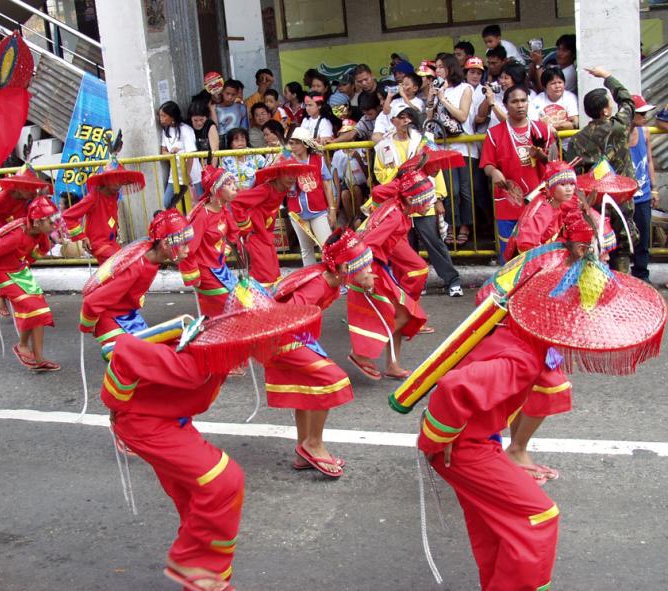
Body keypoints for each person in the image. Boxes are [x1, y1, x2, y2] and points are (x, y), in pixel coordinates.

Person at [419, 236, 665, 590]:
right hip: (465, 447)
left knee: (494, 526)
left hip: (473, 441)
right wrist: (438, 439)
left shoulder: (520, 337)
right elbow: (453, 387)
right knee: (539, 516)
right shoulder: (522, 359)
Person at [101, 295, 319, 591]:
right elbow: (125, 352)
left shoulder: (221, 355)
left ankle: (206, 581)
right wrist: (117, 404)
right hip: (147, 427)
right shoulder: (194, 366)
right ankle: (192, 565)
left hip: (172, 422)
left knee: (193, 498)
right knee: (224, 481)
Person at [267, 228, 374, 477]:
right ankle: (313, 444)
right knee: (332, 379)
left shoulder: (331, 277)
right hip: (283, 338)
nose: (369, 270)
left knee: (306, 386)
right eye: (363, 265)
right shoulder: (317, 286)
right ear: (346, 268)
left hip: (294, 336)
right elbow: (285, 318)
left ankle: (303, 450)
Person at [372, 106, 463, 298]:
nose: (404, 122)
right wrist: (399, 175)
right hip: (400, 204)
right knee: (406, 247)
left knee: (435, 242)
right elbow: (379, 174)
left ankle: (452, 281)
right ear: (393, 121)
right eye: (400, 118)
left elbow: (435, 169)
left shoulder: (424, 141)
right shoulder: (383, 146)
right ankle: (412, 284)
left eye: (408, 118)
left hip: (424, 200)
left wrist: (439, 197)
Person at [346, 174, 429, 380]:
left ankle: (393, 364)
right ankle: (361, 354)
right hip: (370, 269)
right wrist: (364, 276)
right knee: (402, 315)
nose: (429, 203)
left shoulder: (397, 208)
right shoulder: (394, 216)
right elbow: (368, 245)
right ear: (410, 200)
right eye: (425, 198)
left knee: (401, 313)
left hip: (375, 266)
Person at [79, 209, 193, 352]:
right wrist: (88, 325)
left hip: (128, 316)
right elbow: (91, 302)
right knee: (141, 364)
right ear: (165, 244)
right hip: (111, 320)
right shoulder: (136, 266)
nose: (188, 250)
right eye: (184, 244)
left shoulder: (149, 254)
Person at [565, 66, 637, 272]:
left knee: (597, 250)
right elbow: (628, 101)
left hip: (594, 205)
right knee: (621, 251)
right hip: (621, 201)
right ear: (605, 110)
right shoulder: (618, 127)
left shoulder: (577, 139)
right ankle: (621, 293)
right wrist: (606, 76)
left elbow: (573, 175)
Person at [0, 196, 60, 371]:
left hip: (21, 271)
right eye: (50, 220)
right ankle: (22, 345)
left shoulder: (40, 234)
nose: (55, 224)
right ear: (37, 222)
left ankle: (38, 359)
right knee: (35, 308)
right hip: (4, 273)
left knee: (40, 311)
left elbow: (40, 250)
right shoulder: (15, 236)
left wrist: (26, 262)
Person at [480, 85, 554, 262]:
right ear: (505, 105)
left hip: (539, 202)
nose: (520, 105)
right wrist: (494, 172)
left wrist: (541, 157)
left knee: (539, 253)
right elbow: (487, 164)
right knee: (510, 255)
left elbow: (555, 165)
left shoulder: (542, 130)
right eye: (514, 101)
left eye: (523, 100)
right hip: (508, 202)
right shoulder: (494, 133)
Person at [230, 158, 314, 286]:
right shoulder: (266, 189)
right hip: (255, 236)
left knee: (273, 276)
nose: (292, 177)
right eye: (288, 173)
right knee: (264, 278)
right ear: (279, 174)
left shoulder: (283, 189)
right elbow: (235, 200)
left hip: (265, 236)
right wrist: (245, 226)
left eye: (294, 173)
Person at [428, 54, 476, 247]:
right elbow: (429, 120)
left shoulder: (465, 88)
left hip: (464, 147)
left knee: (466, 191)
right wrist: (432, 98)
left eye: (440, 67)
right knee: (451, 191)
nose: (437, 70)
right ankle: (451, 226)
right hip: (443, 147)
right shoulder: (437, 89)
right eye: (436, 67)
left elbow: (462, 116)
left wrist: (443, 98)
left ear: (450, 67)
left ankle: (466, 226)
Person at [62, 154, 146, 264]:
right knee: (120, 264)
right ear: (105, 180)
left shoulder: (114, 195)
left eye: (120, 180)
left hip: (111, 243)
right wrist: (82, 237)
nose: (118, 184)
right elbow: (69, 215)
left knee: (129, 263)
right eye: (114, 179)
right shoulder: (93, 197)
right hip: (98, 244)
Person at [179, 167, 240, 316]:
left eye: (233, 183)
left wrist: (223, 252)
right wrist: (194, 276)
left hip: (220, 268)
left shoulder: (223, 210)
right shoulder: (202, 216)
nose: (235, 188)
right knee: (230, 306)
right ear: (215, 190)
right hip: (205, 271)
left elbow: (234, 232)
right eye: (228, 184)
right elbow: (186, 249)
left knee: (241, 300)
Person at [286, 127, 337, 266]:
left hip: (318, 210)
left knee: (327, 247)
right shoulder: (287, 162)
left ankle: (333, 278)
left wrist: (332, 209)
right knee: (306, 249)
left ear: (305, 144)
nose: (294, 146)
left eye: (297, 143)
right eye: (292, 143)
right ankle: (311, 282)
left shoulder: (318, 160)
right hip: (297, 213)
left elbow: (327, 185)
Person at [629, 95, 658, 282]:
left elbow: (649, 161)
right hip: (623, 197)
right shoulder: (617, 133)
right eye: (641, 113)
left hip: (643, 195)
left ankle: (641, 274)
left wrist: (654, 188)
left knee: (644, 237)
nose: (645, 116)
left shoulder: (645, 132)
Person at [159, 101, 202, 209]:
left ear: (172, 116)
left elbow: (191, 155)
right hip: (175, 174)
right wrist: (170, 154)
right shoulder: (165, 131)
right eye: (160, 116)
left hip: (191, 173)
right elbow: (163, 150)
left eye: (164, 116)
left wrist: (187, 174)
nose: (161, 119)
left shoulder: (186, 130)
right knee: (168, 202)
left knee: (198, 203)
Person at [330, 122, 369, 228]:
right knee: (345, 194)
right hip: (346, 184)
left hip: (361, 184)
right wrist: (336, 202)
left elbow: (367, 174)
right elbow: (336, 177)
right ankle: (351, 219)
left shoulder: (362, 149)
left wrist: (358, 158)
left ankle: (358, 217)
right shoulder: (337, 154)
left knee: (356, 188)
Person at [529, 67, 579, 133]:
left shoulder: (570, 97)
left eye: (560, 82)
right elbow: (533, 125)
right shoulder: (536, 101)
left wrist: (550, 127)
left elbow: (575, 123)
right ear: (545, 86)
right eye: (553, 83)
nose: (557, 86)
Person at [188, 95, 220, 166]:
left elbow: (215, 150)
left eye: (201, 119)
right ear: (190, 118)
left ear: (206, 117)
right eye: (195, 120)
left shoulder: (210, 126)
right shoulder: (187, 126)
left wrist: (212, 170)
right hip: (193, 165)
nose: (199, 123)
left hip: (207, 164)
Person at [215, 80, 249, 145]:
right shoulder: (215, 108)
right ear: (222, 92)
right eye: (227, 93)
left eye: (233, 94)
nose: (230, 97)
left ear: (237, 94)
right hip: (219, 143)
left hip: (236, 142)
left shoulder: (241, 108)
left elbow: (244, 129)